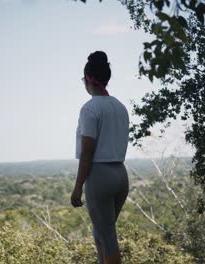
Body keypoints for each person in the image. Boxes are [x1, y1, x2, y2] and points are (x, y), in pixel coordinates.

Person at [71, 51, 130, 264]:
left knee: (107, 236)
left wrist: (78, 186)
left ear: (88, 79)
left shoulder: (90, 108)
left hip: (100, 175)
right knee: (102, 231)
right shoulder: (120, 107)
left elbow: (88, 150)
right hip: (120, 175)